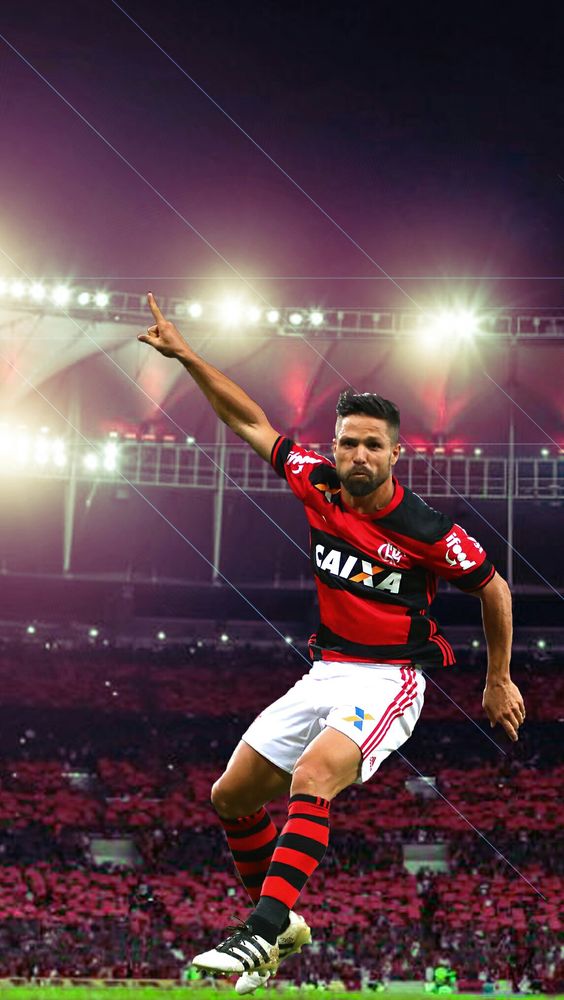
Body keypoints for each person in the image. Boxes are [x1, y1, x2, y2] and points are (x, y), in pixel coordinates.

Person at [138, 293, 526, 992]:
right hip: (323, 672)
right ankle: (283, 923)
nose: (358, 454)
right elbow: (248, 419)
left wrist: (497, 679)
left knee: (313, 777)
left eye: (373, 444)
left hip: (388, 679)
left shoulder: (427, 529)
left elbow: (494, 588)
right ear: (336, 446)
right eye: (348, 441)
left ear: (395, 453)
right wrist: (189, 356)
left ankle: (259, 932)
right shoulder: (316, 482)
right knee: (231, 796)